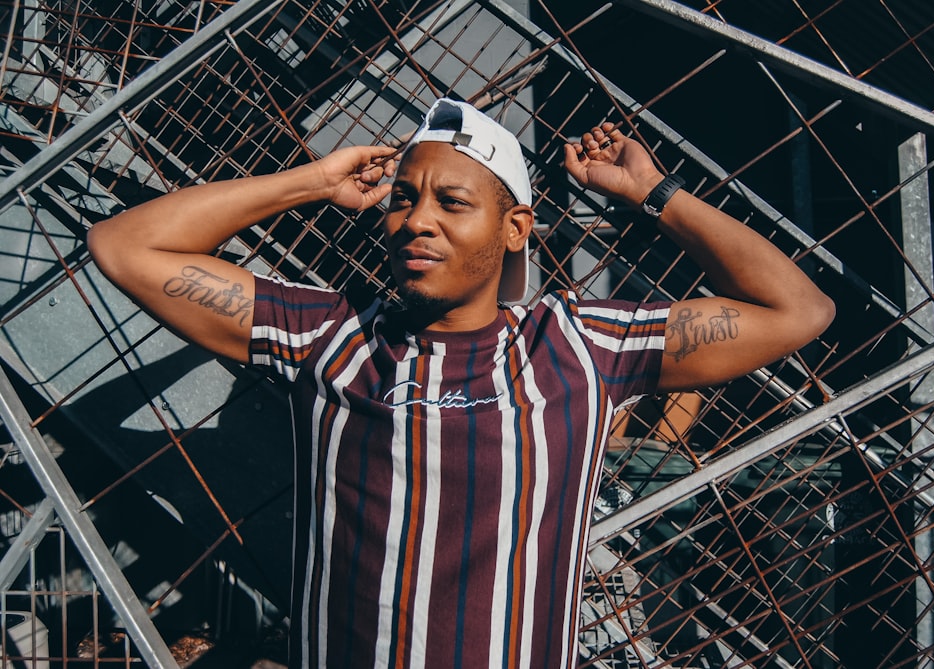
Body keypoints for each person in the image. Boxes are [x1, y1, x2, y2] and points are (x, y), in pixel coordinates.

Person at [87, 97, 834, 668]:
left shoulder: (577, 345)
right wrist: (311, 181)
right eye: (405, 198)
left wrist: (653, 194)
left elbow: (798, 310)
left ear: (514, 228)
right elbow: (122, 244)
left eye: (452, 202)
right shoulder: (328, 333)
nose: (417, 220)